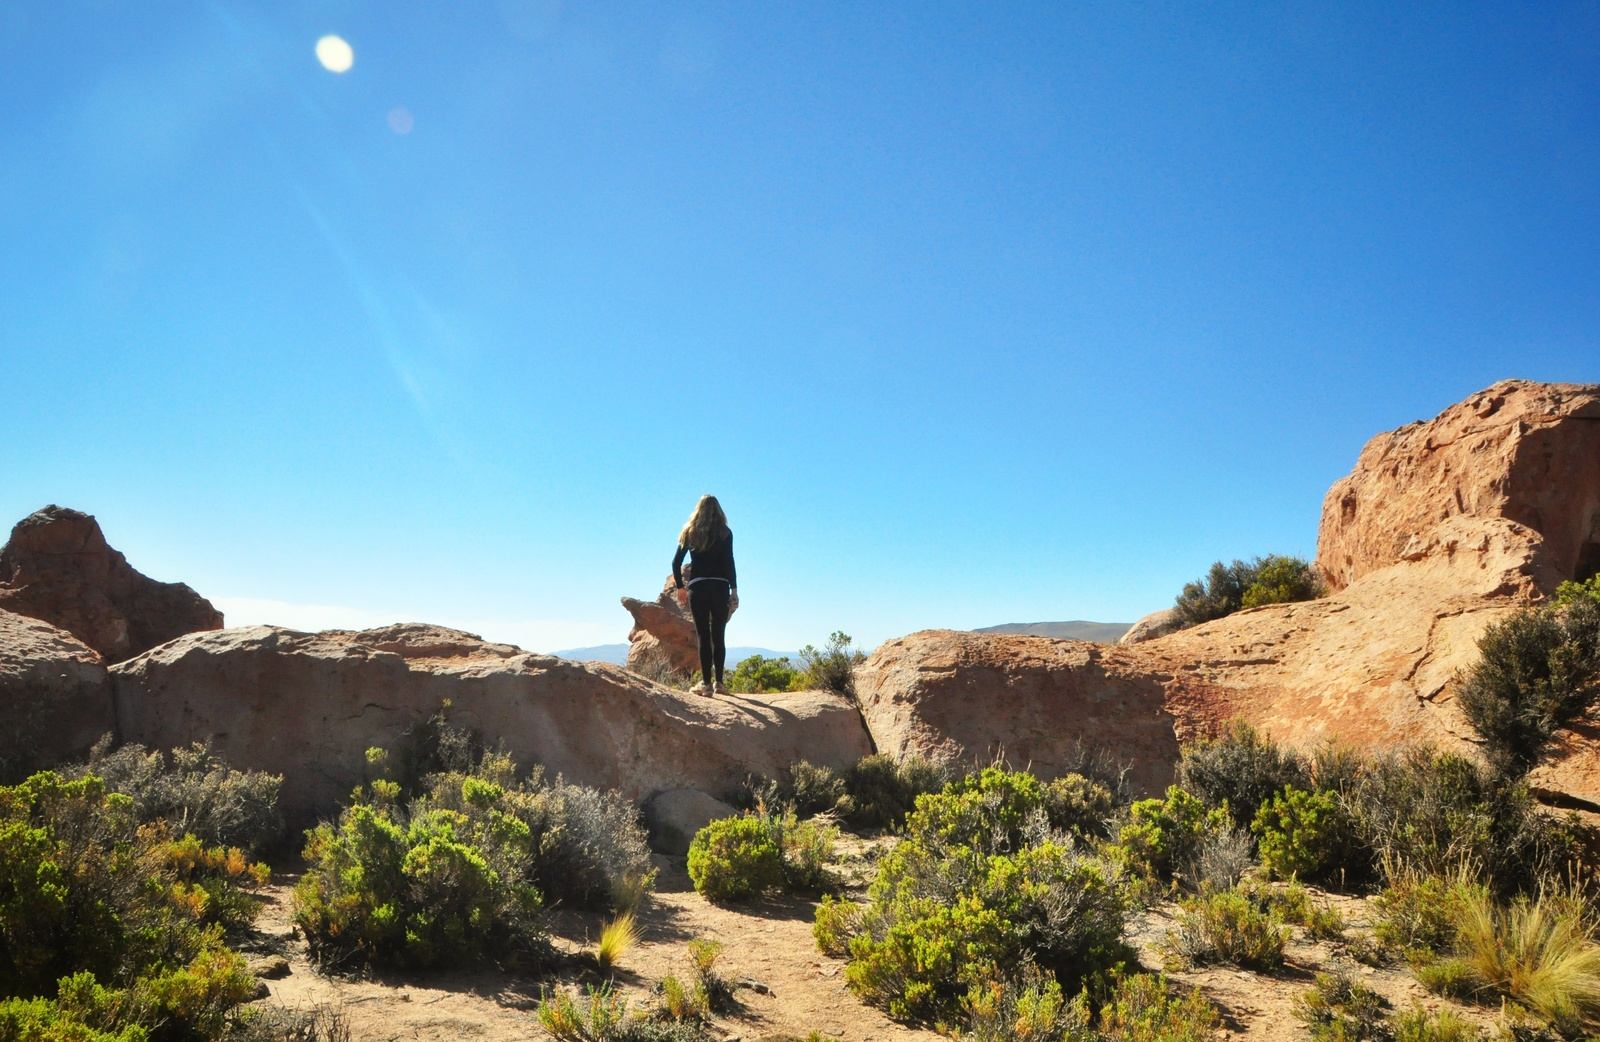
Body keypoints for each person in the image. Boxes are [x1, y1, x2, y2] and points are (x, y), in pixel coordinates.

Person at [672, 494, 738, 695]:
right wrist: (734, 590)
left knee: (703, 635)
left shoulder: (690, 531)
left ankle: (707, 685)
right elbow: (729, 562)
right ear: (719, 510)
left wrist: (680, 587)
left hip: (698, 587)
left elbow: (675, 562)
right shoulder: (725, 532)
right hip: (720, 587)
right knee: (719, 634)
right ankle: (720, 683)